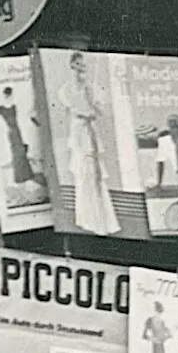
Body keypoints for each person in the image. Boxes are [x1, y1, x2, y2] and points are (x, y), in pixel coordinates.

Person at [59, 51, 119, 235]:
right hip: (79, 132)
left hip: (90, 129)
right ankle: (86, 218)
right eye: (77, 64)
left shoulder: (91, 87)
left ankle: (100, 219)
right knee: (82, 173)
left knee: (94, 173)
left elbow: (100, 111)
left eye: (82, 64)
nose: (81, 68)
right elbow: (70, 111)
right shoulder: (66, 89)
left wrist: (92, 100)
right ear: (71, 66)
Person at [0, 87, 35, 185]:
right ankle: (19, 177)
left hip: (17, 131)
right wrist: (6, 128)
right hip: (11, 132)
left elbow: (21, 118)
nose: (10, 97)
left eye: (10, 95)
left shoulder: (14, 106)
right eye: (8, 95)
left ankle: (27, 175)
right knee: (16, 152)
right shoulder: (0, 108)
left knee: (21, 151)